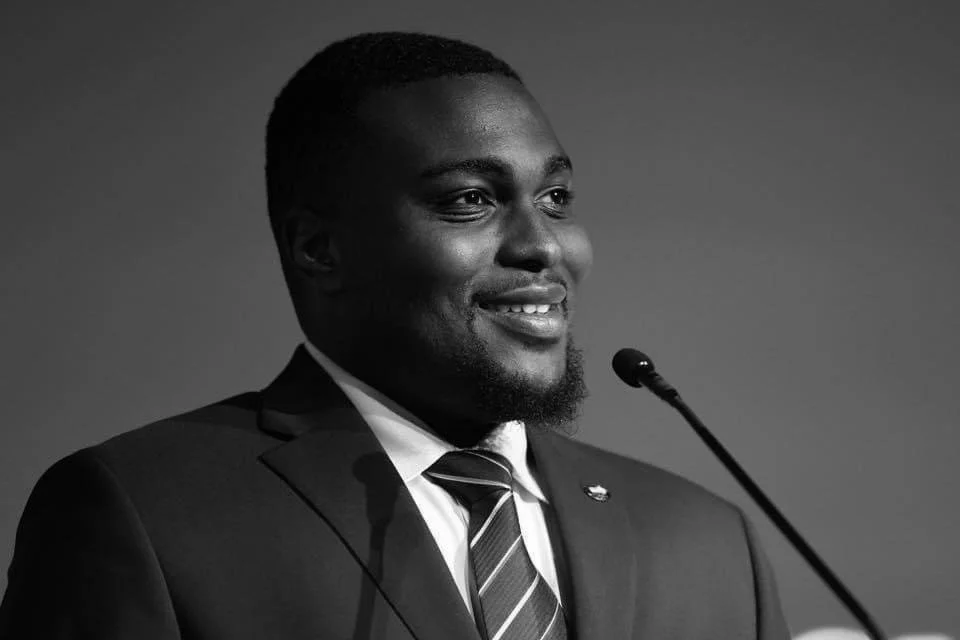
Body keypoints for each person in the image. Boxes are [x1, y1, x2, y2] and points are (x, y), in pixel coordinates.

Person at [0, 32, 790, 639]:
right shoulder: (145, 513)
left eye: (555, 197)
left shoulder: (705, 537)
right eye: (470, 199)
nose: (545, 246)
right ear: (319, 249)